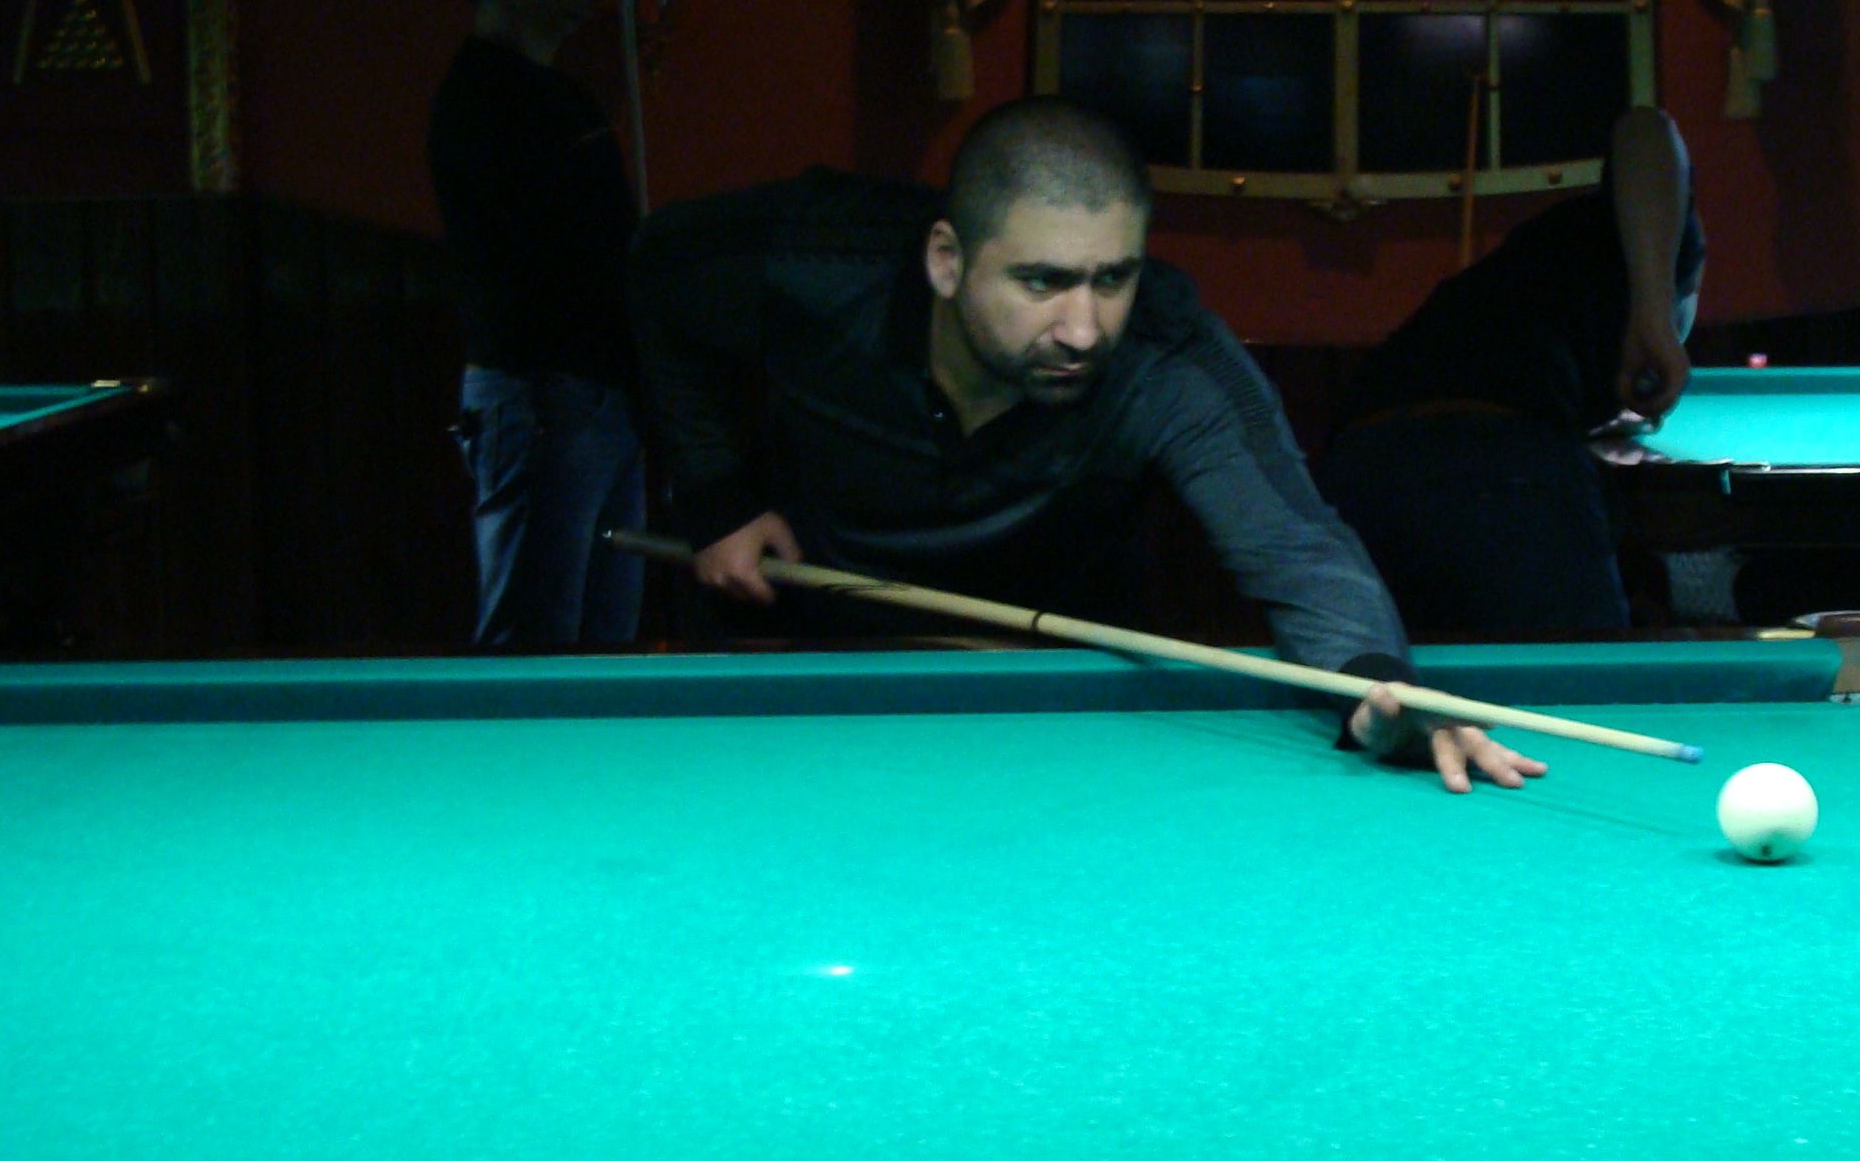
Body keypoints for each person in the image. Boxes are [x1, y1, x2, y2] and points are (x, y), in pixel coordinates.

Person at [628, 96, 1539, 794]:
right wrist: (715, 494)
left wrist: (1379, 684)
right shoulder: (816, 259)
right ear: (947, 260)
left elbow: (1298, 547)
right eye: (1043, 281)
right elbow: (654, 268)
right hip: (808, 653)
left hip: (1057, 695)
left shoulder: (1169, 358)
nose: (1084, 328)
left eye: (1113, 278)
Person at [1319, 105, 1706, 634]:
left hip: (1358, 465)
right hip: (1499, 466)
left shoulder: (1537, 263)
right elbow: (1647, 128)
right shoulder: (1662, 235)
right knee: (1585, 677)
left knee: (1415, 679)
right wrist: (1657, 316)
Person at [429, 0, 646, 647]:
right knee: (534, 645)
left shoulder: (564, 98)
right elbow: (550, 263)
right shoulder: (481, 99)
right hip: (541, 398)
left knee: (604, 644)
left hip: (594, 396)